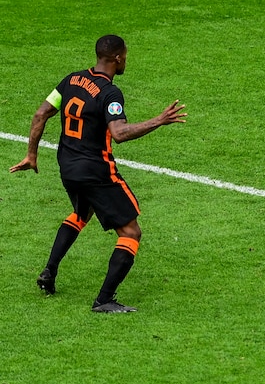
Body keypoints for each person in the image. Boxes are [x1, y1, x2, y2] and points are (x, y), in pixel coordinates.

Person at [9, 35, 187, 313]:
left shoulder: (71, 80)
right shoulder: (109, 93)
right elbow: (119, 133)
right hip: (95, 170)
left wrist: (31, 154)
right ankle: (104, 300)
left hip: (67, 166)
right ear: (117, 58)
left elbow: (41, 113)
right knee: (130, 232)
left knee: (82, 213)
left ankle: (49, 272)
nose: (126, 59)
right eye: (125, 56)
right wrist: (160, 120)